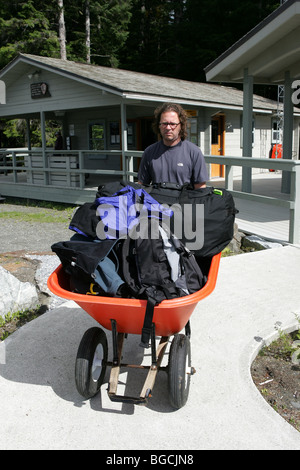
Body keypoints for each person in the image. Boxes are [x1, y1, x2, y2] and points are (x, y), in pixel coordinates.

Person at [138, 103, 208, 188]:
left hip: (184, 200)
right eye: (164, 123)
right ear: (159, 126)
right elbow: (142, 186)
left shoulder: (194, 152)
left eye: (172, 124)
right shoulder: (149, 152)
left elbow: (200, 188)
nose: (168, 127)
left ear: (181, 126)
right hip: (157, 200)